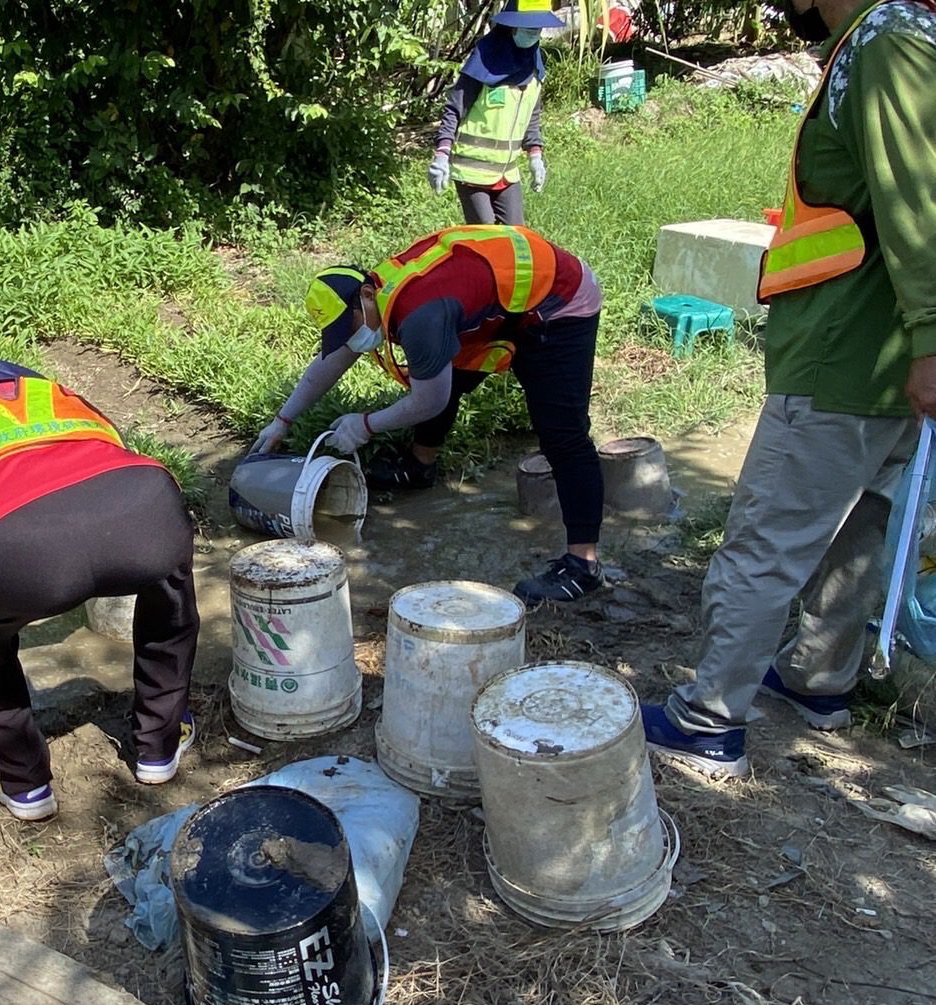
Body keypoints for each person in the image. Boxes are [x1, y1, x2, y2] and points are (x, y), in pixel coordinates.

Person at [640, 0, 936, 778]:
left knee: (766, 539)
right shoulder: (903, 35)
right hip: (887, 360)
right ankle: (817, 678)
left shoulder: (887, 37)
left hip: (850, 352)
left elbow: (918, 203)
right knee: (868, 518)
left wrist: (932, 335)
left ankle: (708, 720)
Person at [0, 352, 200, 820]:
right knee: (170, 595)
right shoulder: (54, 393)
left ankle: (22, 783)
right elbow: (109, 456)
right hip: (144, 510)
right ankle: (160, 746)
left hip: (12, 546)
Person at [252, 225, 607, 607]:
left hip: (561, 301)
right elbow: (333, 359)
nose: (350, 338)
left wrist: (364, 425)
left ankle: (583, 565)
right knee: (440, 368)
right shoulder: (376, 297)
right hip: (503, 304)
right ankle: (420, 465)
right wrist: (282, 421)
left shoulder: (421, 317)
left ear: (366, 296)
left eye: (349, 326)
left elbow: (429, 400)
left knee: (563, 435)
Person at [427, 0, 564, 224]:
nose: (533, 35)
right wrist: (442, 155)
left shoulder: (534, 66)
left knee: (516, 238)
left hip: (507, 172)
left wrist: (535, 155)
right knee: (487, 239)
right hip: (472, 171)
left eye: (537, 30)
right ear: (512, 28)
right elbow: (454, 109)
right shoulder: (484, 61)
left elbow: (532, 116)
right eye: (529, 30)